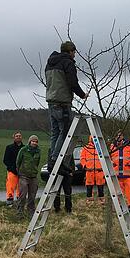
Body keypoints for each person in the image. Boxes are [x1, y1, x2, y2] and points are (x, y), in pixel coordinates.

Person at [45, 41, 87, 173]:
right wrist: (82, 95)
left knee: (55, 132)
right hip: (62, 102)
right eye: (74, 52)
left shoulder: (50, 63)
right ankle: (56, 161)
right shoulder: (67, 63)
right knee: (65, 132)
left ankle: (52, 161)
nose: (75, 54)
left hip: (51, 101)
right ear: (70, 51)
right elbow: (72, 82)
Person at [110, 131, 130, 216]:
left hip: (128, 175)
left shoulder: (129, 146)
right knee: (118, 192)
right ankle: (119, 207)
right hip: (117, 175)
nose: (119, 137)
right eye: (117, 135)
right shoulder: (112, 147)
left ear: (123, 136)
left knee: (129, 192)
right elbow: (108, 157)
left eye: (120, 135)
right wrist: (111, 162)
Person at [16, 135, 41, 218]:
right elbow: (18, 162)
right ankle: (20, 212)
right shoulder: (23, 150)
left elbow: (37, 163)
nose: (34, 143)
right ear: (30, 141)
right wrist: (19, 172)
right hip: (23, 176)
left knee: (32, 196)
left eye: (36, 141)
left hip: (33, 176)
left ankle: (31, 212)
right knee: (22, 195)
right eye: (33, 141)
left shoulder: (38, 151)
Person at [81, 139, 106, 205]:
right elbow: (82, 158)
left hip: (99, 170)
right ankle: (89, 200)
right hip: (89, 170)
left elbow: (104, 157)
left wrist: (103, 166)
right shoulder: (86, 148)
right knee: (89, 186)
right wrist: (85, 165)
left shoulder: (100, 147)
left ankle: (101, 200)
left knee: (100, 185)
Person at [3, 131, 24, 207]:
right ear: (14, 138)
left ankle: (20, 201)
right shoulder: (9, 147)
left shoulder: (24, 148)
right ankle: (9, 201)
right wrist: (12, 168)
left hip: (22, 171)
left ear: (22, 137)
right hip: (12, 171)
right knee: (10, 186)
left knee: (21, 187)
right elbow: (5, 160)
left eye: (19, 136)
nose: (18, 137)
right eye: (17, 136)